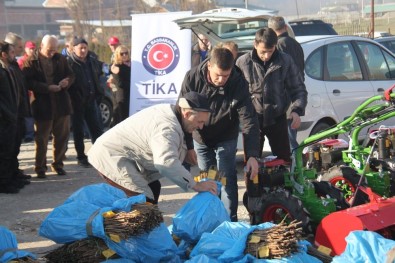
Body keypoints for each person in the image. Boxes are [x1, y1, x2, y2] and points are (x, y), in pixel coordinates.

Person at [87, 91, 218, 204]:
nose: (200, 127)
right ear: (187, 113)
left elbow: (172, 145)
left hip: (119, 154)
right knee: (143, 201)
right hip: (110, 156)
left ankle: (145, 230)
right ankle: (123, 230)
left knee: (154, 187)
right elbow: (166, 163)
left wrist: (186, 153)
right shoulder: (167, 128)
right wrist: (196, 185)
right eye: (199, 122)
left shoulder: (173, 113)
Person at [180, 46, 260, 222]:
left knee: (226, 178)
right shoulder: (192, 78)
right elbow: (183, 114)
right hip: (200, 137)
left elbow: (249, 120)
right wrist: (188, 146)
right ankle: (211, 218)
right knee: (208, 178)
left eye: (226, 75)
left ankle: (230, 220)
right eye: (218, 75)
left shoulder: (238, 82)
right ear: (209, 65)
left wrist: (253, 155)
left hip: (226, 136)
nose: (221, 80)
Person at [236, 28, 307, 162]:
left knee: (284, 162)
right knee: (252, 164)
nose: (267, 56)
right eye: (263, 52)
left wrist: (297, 110)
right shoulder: (242, 63)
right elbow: (236, 93)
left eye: (270, 51)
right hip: (252, 120)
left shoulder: (285, 60)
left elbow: (298, 89)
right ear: (255, 44)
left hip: (278, 118)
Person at [22, 35, 75, 178]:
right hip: (42, 105)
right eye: (49, 50)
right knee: (42, 139)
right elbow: (27, 82)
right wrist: (46, 88)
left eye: (55, 49)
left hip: (61, 104)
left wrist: (66, 81)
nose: (52, 53)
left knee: (62, 137)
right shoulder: (31, 61)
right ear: (41, 46)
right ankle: (40, 167)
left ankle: (58, 164)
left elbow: (71, 74)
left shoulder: (60, 59)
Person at [268, 16, 305, 152]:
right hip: (296, 95)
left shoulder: (278, 46)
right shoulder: (296, 44)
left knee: (287, 141)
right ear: (285, 27)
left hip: (285, 99)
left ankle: (294, 168)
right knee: (290, 137)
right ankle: (296, 166)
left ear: (270, 30)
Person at [67, 37, 104, 168]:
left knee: (97, 129)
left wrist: (99, 92)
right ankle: (81, 156)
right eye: (80, 48)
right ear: (74, 49)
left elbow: (98, 76)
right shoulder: (69, 63)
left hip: (91, 100)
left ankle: (99, 155)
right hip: (76, 102)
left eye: (85, 48)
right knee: (78, 131)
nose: (83, 50)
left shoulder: (91, 61)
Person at [5, 33, 32, 183]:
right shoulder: (6, 68)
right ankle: (8, 177)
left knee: (16, 146)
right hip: (10, 114)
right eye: (19, 47)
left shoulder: (14, 65)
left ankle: (14, 172)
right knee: (9, 148)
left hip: (19, 112)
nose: (22, 49)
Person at [0, 41, 24, 193]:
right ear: (4, 54)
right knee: (4, 152)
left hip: (13, 116)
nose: (14, 55)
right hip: (4, 119)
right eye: (11, 52)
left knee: (12, 149)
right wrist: (8, 114)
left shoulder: (8, 69)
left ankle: (12, 177)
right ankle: (4, 183)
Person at [17, 40, 36, 143]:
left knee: (38, 112)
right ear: (26, 49)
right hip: (27, 92)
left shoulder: (38, 60)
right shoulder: (21, 61)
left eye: (33, 48)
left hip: (37, 91)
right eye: (30, 48)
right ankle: (29, 134)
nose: (32, 50)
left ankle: (43, 132)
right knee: (28, 114)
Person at [109, 45, 131, 127]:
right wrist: (133, 84)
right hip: (122, 97)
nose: (124, 55)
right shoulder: (116, 67)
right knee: (122, 122)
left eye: (126, 53)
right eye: (122, 54)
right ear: (118, 55)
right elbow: (120, 83)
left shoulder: (131, 65)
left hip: (131, 96)